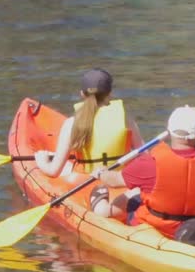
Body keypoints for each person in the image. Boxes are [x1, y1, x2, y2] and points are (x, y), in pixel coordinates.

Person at [90, 105, 195, 238]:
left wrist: (101, 173)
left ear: (169, 131)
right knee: (138, 192)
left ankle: (103, 210)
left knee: (133, 194)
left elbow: (114, 181)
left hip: (159, 228)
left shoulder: (150, 162)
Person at [34, 67, 141, 215]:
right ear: (110, 93)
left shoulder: (72, 123)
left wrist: (41, 161)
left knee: (68, 172)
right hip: (121, 180)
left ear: (82, 94)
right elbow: (144, 156)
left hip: (87, 183)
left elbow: (54, 171)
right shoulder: (125, 118)